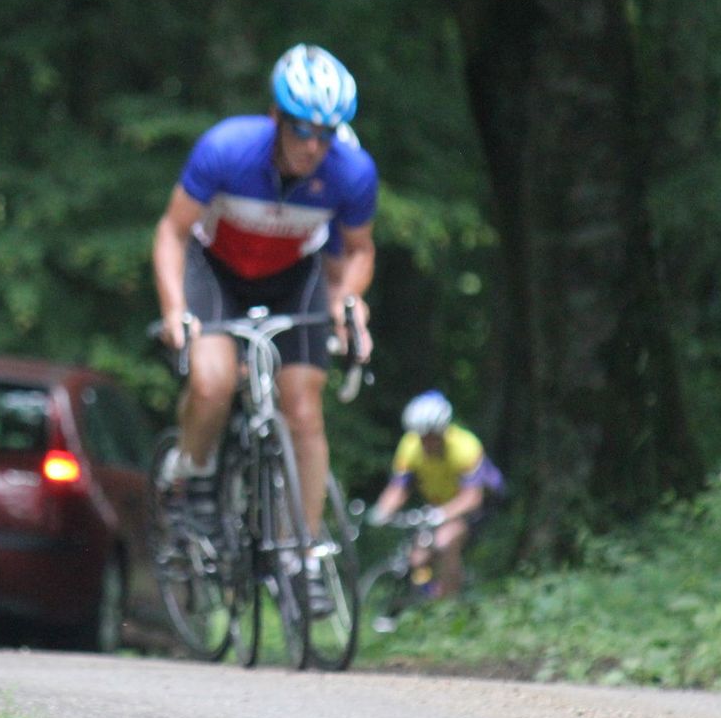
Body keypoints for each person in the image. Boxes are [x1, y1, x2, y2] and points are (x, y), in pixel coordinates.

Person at [152, 43, 378, 583]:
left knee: (303, 406)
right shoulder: (227, 149)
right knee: (212, 381)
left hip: (292, 277)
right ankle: (193, 475)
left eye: (327, 134)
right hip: (217, 270)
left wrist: (348, 302)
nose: (314, 146)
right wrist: (175, 309)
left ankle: (302, 557)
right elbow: (172, 232)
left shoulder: (351, 172)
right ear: (276, 116)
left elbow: (359, 250)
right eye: (303, 130)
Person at [366, 390, 505, 598]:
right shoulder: (410, 446)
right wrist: (381, 511)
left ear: (442, 431)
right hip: (439, 504)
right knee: (417, 556)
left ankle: (448, 604)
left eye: (432, 437)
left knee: (444, 541)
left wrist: (441, 514)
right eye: (422, 437)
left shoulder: (465, 447)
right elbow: (398, 488)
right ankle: (426, 596)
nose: (427, 443)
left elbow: (472, 497)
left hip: (475, 506)